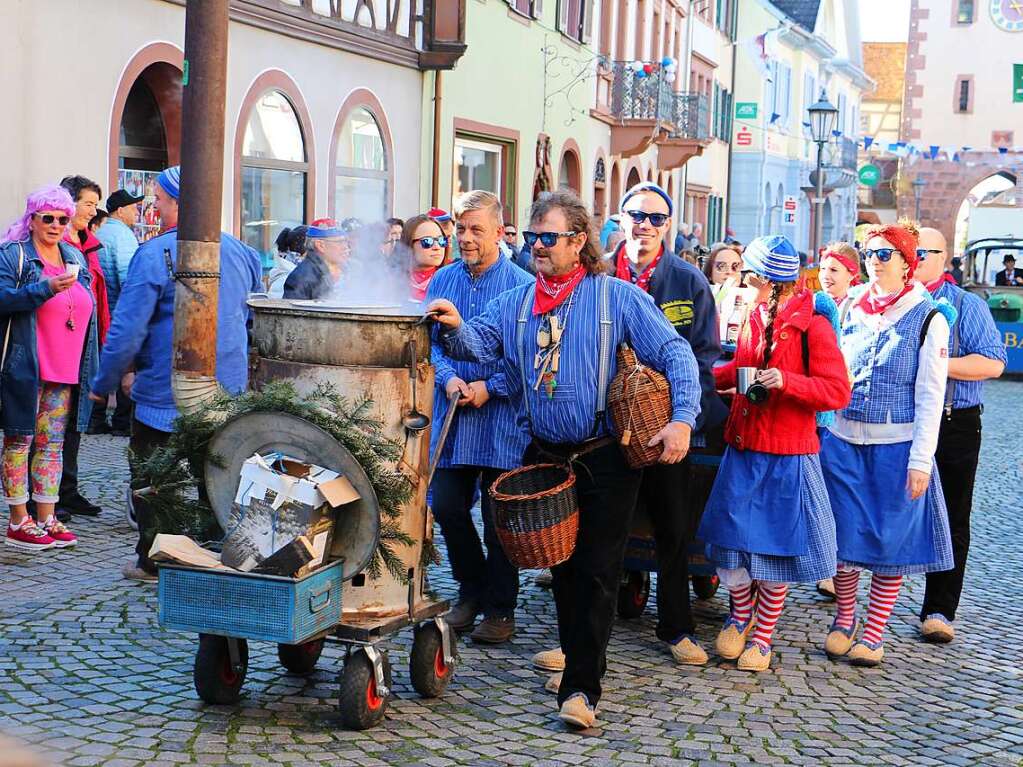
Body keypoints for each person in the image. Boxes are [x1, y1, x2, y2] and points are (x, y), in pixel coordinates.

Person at [427, 189, 701, 730]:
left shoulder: (615, 297)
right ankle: (582, 657)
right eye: (532, 237)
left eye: (548, 237)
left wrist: (683, 418)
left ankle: (581, 690)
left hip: (605, 457)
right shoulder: (518, 302)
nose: (538, 246)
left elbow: (675, 352)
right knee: (564, 570)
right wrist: (453, 325)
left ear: (579, 241)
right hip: (545, 456)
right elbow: (478, 346)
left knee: (597, 570)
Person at [88, 165, 263, 581]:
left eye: (161, 201)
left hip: (163, 395)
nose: (156, 207)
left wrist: (104, 383)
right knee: (215, 476)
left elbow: (128, 328)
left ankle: (154, 558)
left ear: (181, 204)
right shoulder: (241, 252)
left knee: (153, 480)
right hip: (225, 390)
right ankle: (212, 557)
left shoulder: (154, 254)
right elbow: (251, 321)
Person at [696, 235, 850, 672]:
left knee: (774, 551)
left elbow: (837, 391)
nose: (742, 282)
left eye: (749, 276)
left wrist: (788, 382)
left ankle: (762, 636)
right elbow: (740, 369)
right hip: (744, 446)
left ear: (771, 282)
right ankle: (739, 615)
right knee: (731, 542)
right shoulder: (754, 315)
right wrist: (702, 376)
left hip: (787, 454)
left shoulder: (814, 327)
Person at [819, 221, 954, 667]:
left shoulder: (929, 316)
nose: (873, 263)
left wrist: (921, 460)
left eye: (882, 255)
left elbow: (931, 395)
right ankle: (843, 619)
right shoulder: (852, 304)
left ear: (906, 263)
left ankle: (874, 632)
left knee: (888, 542)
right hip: (842, 437)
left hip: (896, 443)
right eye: (868, 253)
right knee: (840, 535)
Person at [609, 183, 729, 664]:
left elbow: (704, 357)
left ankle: (676, 626)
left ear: (670, 226)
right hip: (606, 425)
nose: (645, 225)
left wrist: (676, 414)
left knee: (674, 526)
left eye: (656, 218)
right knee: (603, 529)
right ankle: (583, 631)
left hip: (667, 425)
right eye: (636, 215)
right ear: (620, 218)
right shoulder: (598, 274)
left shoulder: (687, 281)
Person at [425, 191, 533, 644]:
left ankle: (500, 607)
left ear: (499, 231)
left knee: (497, 518)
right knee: (446, 506)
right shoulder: (442, 281)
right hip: (452, 413)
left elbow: (530, 355)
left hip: (501, 418)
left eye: (476, 230)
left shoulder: (521, 284)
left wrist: (491, 386)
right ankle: (470, 590)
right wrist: (448, 379)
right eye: (460, 228)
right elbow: (428, 343)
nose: (466, 238)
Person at [914, 227, 1005, 643]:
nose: (913, 258)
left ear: (943, 257)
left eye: (923, 251)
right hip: (898, 420)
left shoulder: (966, 304)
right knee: (881, 506)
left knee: (952, 516)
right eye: (907, 250)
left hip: (955, 420)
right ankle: (855, 608)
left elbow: (992, 363)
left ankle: (938, 609)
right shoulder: (890, 303)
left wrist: (935, 363)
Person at [1, 185, 99, 551]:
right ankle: (17, 521)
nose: (56, 225)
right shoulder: (15, 256)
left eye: (63, 219)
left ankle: (46, 516)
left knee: (52, 445)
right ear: (33, 220)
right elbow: (2, 298)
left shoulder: (73, 254)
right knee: (19, 440)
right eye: (48, 218)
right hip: (26, 366)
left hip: (66, 368)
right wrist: (44, 289)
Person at [57, 175, 109, 513]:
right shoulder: (58, 242)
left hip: (89, 339)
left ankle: (69, 489)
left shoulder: (89, 243)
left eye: (93, 204)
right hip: (64, 338)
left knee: (78, 417)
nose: (93, 211)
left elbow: (100, 295)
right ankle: (47, 492)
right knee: (53, 417)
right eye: (88, 203)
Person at [95, 189, 144, 436]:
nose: (137, 212)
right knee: (127, 363)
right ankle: (122, 423)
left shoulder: (100, 232)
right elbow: (128, 278)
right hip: (118, 311)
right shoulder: (124, 237)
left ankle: (94, 419)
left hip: (100, 312)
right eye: (134, 208)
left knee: (98, 363)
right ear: (121, 210)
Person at [282, 220, 351, 300]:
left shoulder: (350, 269)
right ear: (320, 246)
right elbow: (294, 311)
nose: (346, 247)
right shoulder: (301, 278)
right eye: (340, 242)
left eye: (346, 242)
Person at [403, 214, 448, 304]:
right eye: (427, 241)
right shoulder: (391, 280)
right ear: (409, 245)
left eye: (441, 240)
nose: (437, 247)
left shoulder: (451, 280)